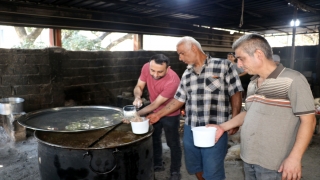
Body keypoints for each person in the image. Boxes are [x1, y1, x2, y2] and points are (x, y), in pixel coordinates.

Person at [209, 34, 316, 180]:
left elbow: (309, 121)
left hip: (275, 164)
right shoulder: (253, 83)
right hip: (248, 158)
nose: (239, 64)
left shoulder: (292, 80)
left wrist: (295, 158)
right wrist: (222, 127)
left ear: (259, 54)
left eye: (241, 58)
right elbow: (248, 112)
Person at [147, 36, 243, 180]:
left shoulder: (224, 66)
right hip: (190, 128)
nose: (180, 58)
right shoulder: (187, 74)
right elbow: (179, 99)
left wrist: (235, 119)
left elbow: (236, 92)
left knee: (213, 171)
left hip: (214, 129)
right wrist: (158, 115)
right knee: (195, 166)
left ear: (193, 48)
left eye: (182, 53)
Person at [131, 54, 182, 180]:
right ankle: (157, 163)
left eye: (160, 72)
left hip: (170, 113)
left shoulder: (173, 81)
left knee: (173, 142)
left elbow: (155, 105)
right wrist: (137, 96)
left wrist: (135, 115)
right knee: (154, 138)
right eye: (152, 70)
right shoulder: (146, 67)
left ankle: (175, 171)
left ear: (168, 68)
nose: (155, 74)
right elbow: (139, 86)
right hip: (154, 109)